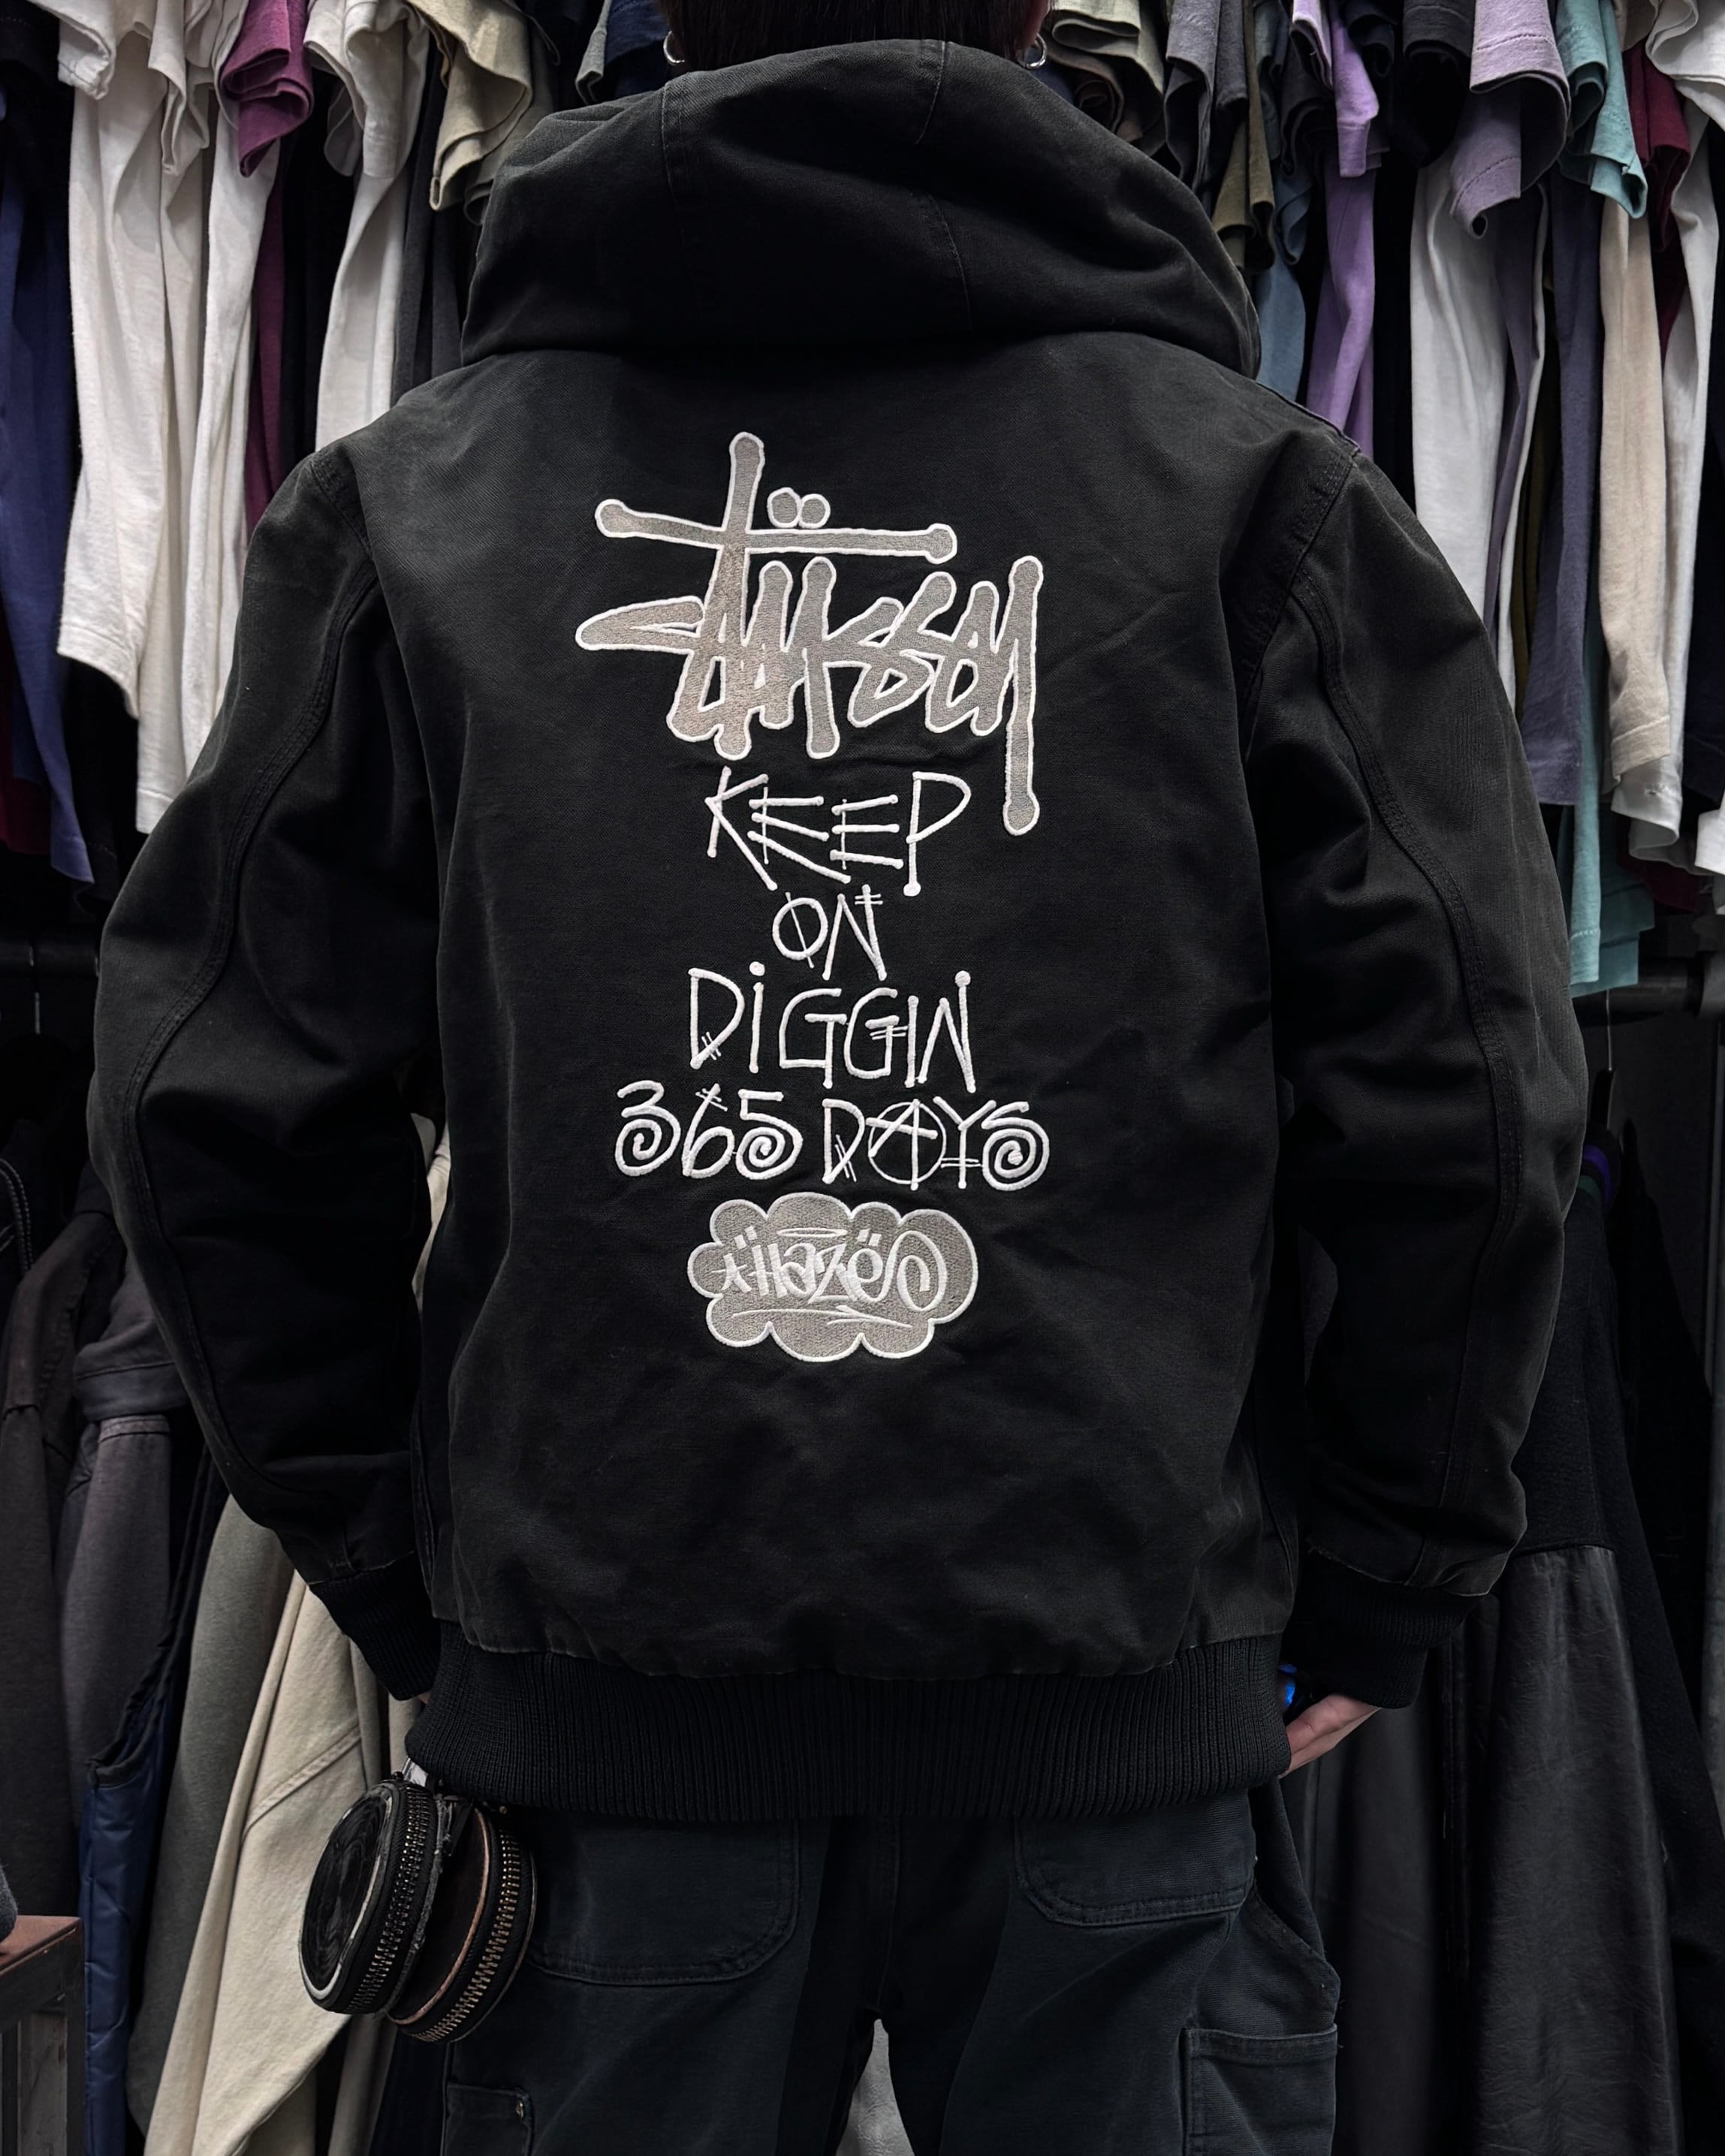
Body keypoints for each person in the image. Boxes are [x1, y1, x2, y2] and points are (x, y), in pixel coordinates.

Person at [90, 0, 1585, 2146]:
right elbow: (1471, 1093)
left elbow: (205, 1105)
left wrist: (408, 1572)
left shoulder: (418, 505)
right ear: (1040, 24)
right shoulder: (1258, 500)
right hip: (1109, 1722)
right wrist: (1393, 1565)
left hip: (608, 1736)